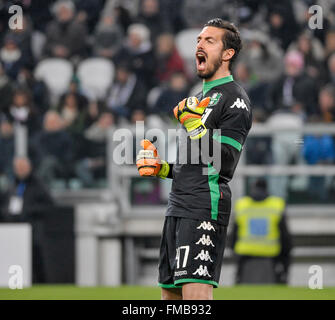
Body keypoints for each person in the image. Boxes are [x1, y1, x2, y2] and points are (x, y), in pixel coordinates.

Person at [136, 18, 252, 300]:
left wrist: (196, 127)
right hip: (177, 207)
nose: (200, 44)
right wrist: (161, 169)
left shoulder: (235, 98)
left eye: (209, 40)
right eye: (199, 40)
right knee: (170, 299)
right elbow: (194, 165)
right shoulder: (200, 97)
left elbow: (224, 165)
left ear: (228, 54)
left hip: (203, 208)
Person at [0, 157, 54, 283]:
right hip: (12, 230)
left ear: (29, 168)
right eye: (18, 168)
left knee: (35, 259)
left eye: (23, 167)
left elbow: (49, 205)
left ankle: (41, 285)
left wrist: (28, 211)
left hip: (32, 229)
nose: (20, 170)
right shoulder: (11, 185)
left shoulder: (38, 185)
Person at [231, 179, 292, 284]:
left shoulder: (242, 205)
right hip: (271, 255)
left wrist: (234, 251)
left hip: (245, 254)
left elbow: (234, 235)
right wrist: (285, 266)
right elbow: (285, 237)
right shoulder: (277, 205)